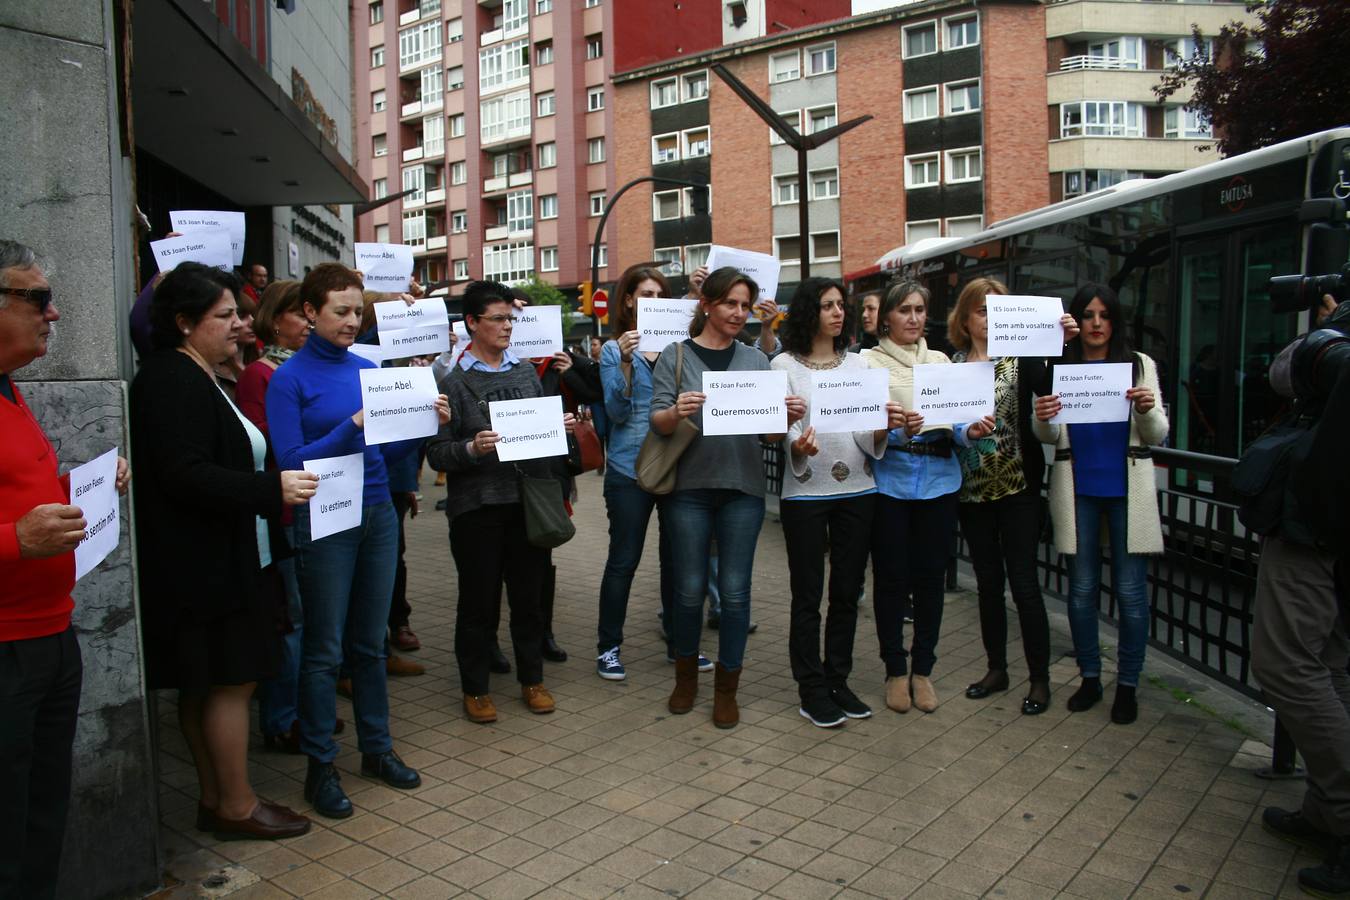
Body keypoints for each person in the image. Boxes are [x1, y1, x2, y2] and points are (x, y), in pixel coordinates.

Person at [131, 262, 314, 842]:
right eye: (225, 315)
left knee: (207, 682)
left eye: (238, 312)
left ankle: (217, 798)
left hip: (220, 555)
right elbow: (186, 475)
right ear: (184, 322)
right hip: (206, 564)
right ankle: (237, 806)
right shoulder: (170, 379)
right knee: (229, 681)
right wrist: (270, 488)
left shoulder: (197, 372)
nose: (240, 324)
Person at [266, 263, 449, 818]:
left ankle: (376, 749)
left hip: (376, 513)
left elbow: (383, 454)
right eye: (340, 311)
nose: (352, 321)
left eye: (357, 312)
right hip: (324, 517)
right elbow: (290, 464)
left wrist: (419, 426)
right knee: (324, 650)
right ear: (309, 313)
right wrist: (353, 423)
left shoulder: (367, 366)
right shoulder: (288, 379)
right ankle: (320, 765)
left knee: (369, 645)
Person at [1, 240, 129, 896]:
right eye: (37, 300)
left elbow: (23, 487)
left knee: (43, 811)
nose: (53, 315)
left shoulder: (12, 393)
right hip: (7, 649)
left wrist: (89, 485)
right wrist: (15, 540)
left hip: (51, 636)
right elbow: (16, 525)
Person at [650, 266, 805, 729]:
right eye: (730, 304)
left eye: (744, 305)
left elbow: (771, 435)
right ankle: (685, 678)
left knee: (735, 594)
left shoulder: (757, 360)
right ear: (708, 305)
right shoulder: (676, 356)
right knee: (689, 590)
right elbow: (656, 423)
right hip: (688, 490)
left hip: (742, 489)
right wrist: (676, 411)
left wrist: (787, 414)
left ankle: (726, 688)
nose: (739, 313)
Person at [426, 279, 576, 725]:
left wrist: (559, 429)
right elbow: (436, 453)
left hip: (526, 502)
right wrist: (472, 449)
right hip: (476, 509)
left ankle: (533, 679)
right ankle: (475, 688)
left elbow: (538, 437)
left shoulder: (527, 372)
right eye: (498, 319)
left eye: (510, 318)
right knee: (479, 601)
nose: (508, 327)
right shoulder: (452, 382)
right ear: (472, 323)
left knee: (529, 598)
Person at [1032, 282, 1167, 725]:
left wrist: (1146, 409)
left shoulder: (1138, 364)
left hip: (1128, 489)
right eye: (1088, 315)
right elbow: (1048, 436)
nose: (1095, 323)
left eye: (1104, 315)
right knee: (1082, 590)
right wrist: (1043, 416)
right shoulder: (1061, 365)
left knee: (1130, 593)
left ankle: (1127, 684)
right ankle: (1090, 676)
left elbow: (1157, 434)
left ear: (1115, 320)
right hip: (1078, 488)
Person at [772, 277, 904, 727]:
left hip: (858, 491)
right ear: (809, 311)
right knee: (807, 595)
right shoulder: (783, 365)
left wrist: (885, 428)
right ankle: (811, 689)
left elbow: (869, 433)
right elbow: (782, 427)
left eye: (840, 305)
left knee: (846, 593)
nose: (837, 312)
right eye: (827, 305)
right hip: (806, 494)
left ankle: (838, 679)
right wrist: (796, 446)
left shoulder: (862, 366)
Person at [1254, 297, 1350, 895]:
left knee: (1286, 665)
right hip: (1334, 520)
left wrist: (1329, 325)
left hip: (1318, 516)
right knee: (1330, 661)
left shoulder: (1337, 337)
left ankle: (1342, 810)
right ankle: (1322, 809)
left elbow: (1287, 372)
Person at [948, 277, 1077, 716]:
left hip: (1018, 486)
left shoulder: (1025, 360)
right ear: (965, 319)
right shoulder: (952, 364)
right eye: (983, 310)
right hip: (972, 491)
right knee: (987, 585)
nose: (991, 318)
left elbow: (1059, 398)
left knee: (1024, 585)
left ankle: (1039, 679)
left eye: (999, 309)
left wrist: (1066, 342)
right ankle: (997, 669)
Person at [862, 281, 993, 715]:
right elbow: (864, 427)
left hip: (940, 480)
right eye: (904, 310)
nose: (914, 318)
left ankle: (923, 669)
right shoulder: (867, 363)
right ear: (886, 318)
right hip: (892, 482)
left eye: (920, 310)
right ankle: (895, 669)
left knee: (931, 579)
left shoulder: (940, 361)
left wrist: (968, 431)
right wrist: (898, 429)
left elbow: (954, 421)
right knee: (892, 578)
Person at [235, 279, 318, 752]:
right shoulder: (261, 375)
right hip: (284, 513)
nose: (308, 322)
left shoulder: (303, 368)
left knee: (308, 617)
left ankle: (304, 711)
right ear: (273, 318)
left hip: (313, 507)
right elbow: (270, 449)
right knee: (293, 621)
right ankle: (282, 719)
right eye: (298, 313)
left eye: (311, 313)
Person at [594, 264, 688, 681]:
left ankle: (678, 641)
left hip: (675, 466)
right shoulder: (614, 349)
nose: (651, 301)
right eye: (644, 294)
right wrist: (628, 363)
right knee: (624, 560)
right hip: (627, 469)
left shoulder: (680, 347)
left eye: (658, 295)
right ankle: (608, 648)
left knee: (677, 560)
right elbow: (614, 412)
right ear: (629, 300)